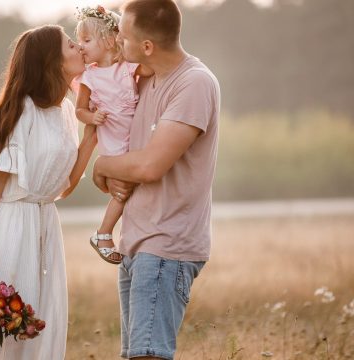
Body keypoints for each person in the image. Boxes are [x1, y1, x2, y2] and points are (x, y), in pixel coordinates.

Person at [0, 25, 95, 360]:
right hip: (9, 226)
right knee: (1, 332)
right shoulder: (23, 109)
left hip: (45, 226)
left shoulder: (66, 113)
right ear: (53, 61)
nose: (80, 49)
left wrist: (92, 137)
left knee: (39, 323)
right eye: (71, 45)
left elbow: (64, 187)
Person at [92, 0, 221, 359]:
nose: (118, 39)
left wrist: (102, 165)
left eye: (124, 34)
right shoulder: (144, 76)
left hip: (166, 245)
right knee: (137, 355)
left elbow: (150, 167)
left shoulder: (194, 83)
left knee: (148, 355)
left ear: (147, 45)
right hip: (138, 242)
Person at [74, 5, 152, 265]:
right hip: (114, 145)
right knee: (122, 191)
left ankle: (119, 233)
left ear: (109, 41)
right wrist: (92, 117)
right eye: (78, 41)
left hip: (135, 141)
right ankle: (103, 233)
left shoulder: (127, 68)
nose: (80, 46)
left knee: (132, 189)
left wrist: (127, 40)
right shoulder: (90, 77)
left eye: (86, 40)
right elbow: (80, 110)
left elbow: (150, 70)